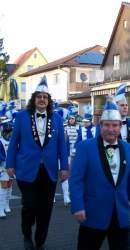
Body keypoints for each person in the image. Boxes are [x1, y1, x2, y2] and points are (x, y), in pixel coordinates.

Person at [69, 95, 130, 250]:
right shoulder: (85, 147)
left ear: (120, 126)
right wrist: (78, 206)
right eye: (107, 125)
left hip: (120, 213)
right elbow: (76, 180)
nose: (111, 129)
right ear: (100, 126)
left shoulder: (129, 149)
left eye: (115, 125)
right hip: (93, 213)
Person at [6, 76, 69, 250]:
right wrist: (10, 164)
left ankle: (40, 241)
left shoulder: (56, 118)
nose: (42, 100)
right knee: (30, 206)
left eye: (45, 97)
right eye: (39, 96)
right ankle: (27, 235)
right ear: (34, 99)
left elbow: (62, 145)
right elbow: (14, 142)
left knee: (46, 210)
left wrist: (64, 167)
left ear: (49, 101)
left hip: (48, 171)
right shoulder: (21, 117)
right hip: (26, 169)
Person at [63, 112, 80, 206]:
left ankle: (74, 193)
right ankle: (67, 195)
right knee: (68, 174)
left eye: (73, 119)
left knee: (77, 173)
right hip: (69, 154)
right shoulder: (65, 128)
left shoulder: (79, 128)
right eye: (70, 119)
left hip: (77, 153)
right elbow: (64, 141)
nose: (72, 120)